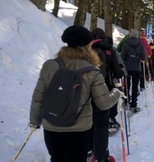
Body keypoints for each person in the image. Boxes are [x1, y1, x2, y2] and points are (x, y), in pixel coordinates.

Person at [29, 25, 122, 162]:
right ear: (87, 46)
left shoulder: (50, 66)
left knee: (56, 158)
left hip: (52, 126)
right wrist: (117, 92)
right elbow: (103, 103)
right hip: (80, 128)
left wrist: (34, 121)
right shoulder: (92, 71)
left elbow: (39, 96)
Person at [89, 28, 125, 161]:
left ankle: (88, 149)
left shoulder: (86, 49)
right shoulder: (109, 49)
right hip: (106, 87)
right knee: (101, 123)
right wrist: (120, 73)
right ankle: (101, 156)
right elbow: (117, 70)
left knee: (88, 121)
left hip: (87, 90)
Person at [121, 29, 146, 114]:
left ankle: (125, 102)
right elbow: (144, 57)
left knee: (127, 85)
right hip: (137, 68)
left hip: (127, 68)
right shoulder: (140, 44)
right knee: (135, 87)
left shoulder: (125, 44)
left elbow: (122, 56)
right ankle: (133, 105)